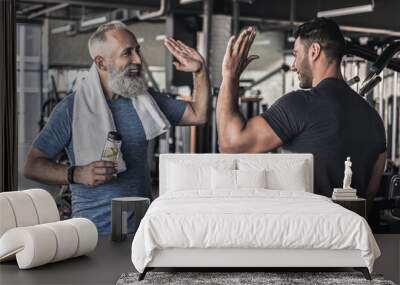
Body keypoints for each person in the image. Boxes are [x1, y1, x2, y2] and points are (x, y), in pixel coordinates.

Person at [24, 21, 210, 234]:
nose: (138, 60)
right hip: (92, 232)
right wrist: (77, 174)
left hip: (142, 230)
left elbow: (199, 114)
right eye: (127, 53)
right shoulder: (71, 108)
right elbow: (32, 165)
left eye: (137, 51)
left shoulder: (145, 101)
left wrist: (200, 71)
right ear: (101, 63)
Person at [216, 18, 386, 214]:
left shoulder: (299, 104)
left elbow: (230, 144)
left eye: (296, 54)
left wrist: (229, 76)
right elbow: (370, 195)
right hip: (352, 238)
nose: (294, 65)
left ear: (314, 51)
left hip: (306, 237)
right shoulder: (374, 120)